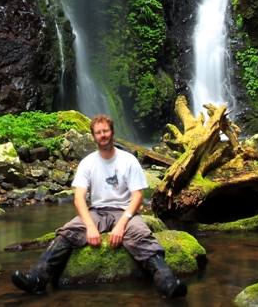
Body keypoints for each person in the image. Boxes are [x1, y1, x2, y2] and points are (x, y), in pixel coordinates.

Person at [11, 114, 187, 298]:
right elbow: (79, 198)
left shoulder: (128, 160)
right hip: (98, 212)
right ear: (94, 137)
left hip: (125, 211)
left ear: (112, 132)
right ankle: (37, 278)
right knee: (66, 233)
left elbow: (137, 196)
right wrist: (89, 226)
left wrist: (121, 224)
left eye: (106, 131)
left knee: (141, 235)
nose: (103, 135)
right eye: (98, 132)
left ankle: (166, 282)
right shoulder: (88, 163)